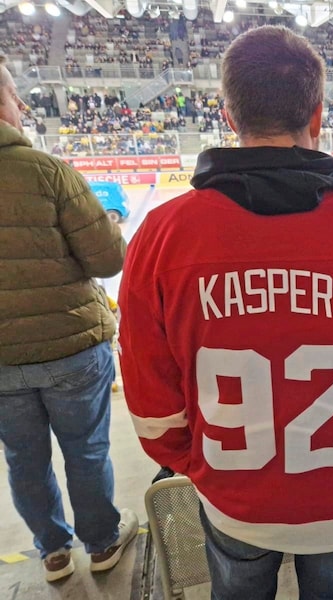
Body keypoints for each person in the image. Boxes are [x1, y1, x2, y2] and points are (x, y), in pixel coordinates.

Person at [118, 25, 333, 600]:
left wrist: (199, 465)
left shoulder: (161, 237)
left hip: (234, 497)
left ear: (229, 116)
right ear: (318, 112)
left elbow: (150, 400)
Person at [0, 54, 137, 583]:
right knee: (86, 449)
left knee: (22, 458)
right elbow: (107, 259)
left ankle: (53, 551)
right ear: (8, 104)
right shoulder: (49, 172)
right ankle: (101, 542)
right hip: (70, 345)